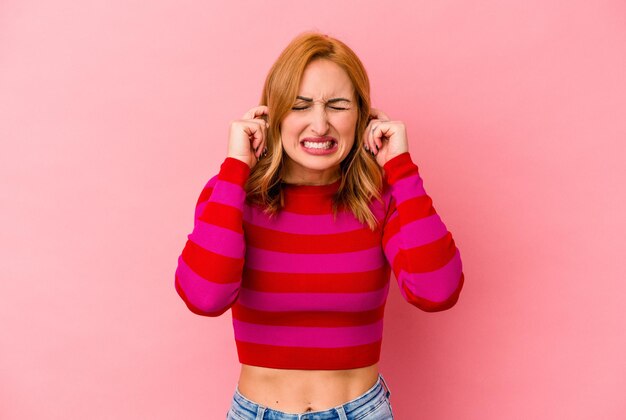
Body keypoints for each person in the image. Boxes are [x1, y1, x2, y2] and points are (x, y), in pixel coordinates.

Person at [174, 31, 465, 420]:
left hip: (362, 411)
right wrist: (235, 167)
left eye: (338, 105)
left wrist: (400, 166)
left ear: (362, 116)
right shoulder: (232, 193)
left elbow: (437, 290)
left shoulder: (384, 198)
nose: (320, 124)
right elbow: (204, 297)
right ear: (272, 114)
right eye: (300, 105)